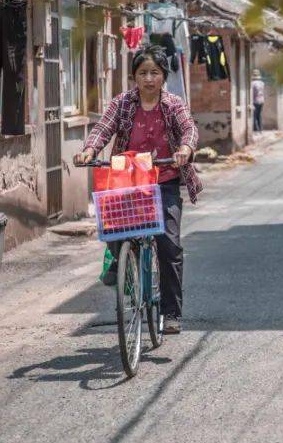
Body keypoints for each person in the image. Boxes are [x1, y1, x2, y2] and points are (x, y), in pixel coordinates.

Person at [74, 45, 202, 335]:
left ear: (163, 76)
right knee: (116, 231)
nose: (148, 79)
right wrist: (90, 149)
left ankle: (171, 313)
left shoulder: (173, 104)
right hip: (128, 180)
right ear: (134, 76)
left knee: (169, 244)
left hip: (164, 179)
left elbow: (189, 128)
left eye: (154, 73)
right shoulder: (122, 103)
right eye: (142, 73)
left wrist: (185, 147)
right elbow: (102, 128)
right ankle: (124, 267)